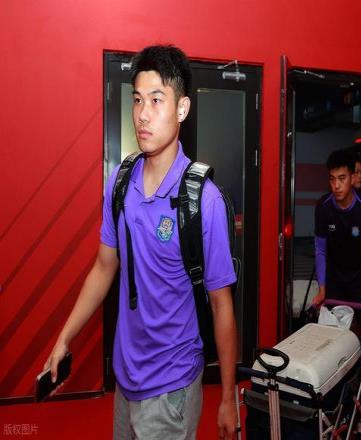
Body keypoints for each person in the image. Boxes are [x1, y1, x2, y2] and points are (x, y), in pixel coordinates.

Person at [42, 45, 238, 440]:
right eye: (137, 99)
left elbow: (221, 304)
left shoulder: (205, 201)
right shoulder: (120, 181)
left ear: (182, 109)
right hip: (126, 377)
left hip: (172, 384)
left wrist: (228, 397)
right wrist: (64, 337)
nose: (142, 114)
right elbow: (104, 266)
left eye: (156, 99)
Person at [311, 150, 361, 314]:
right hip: (334, 279)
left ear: (352, 178)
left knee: (357, 327)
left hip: (359, 279)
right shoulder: (323, 206)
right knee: (332, 326)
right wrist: (322, 289)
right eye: (332, 179)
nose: (336, 186)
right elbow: (320, 249)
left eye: (342, 178)